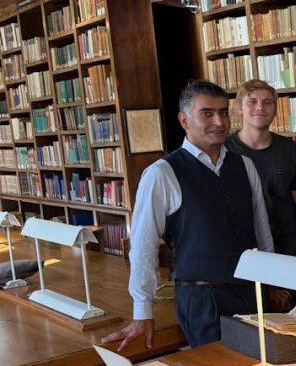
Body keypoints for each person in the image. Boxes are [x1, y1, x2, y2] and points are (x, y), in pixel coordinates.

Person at [108, 80, 274, 350]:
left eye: (223, 112)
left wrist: (273, 283)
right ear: (184, 120)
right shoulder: (161, 173)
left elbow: (261, 230)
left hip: (251, 293)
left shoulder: (244, 165)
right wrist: (142, 310)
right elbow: (143, 246)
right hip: (202, 299)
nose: (219, 122)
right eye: (207, 113)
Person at [225, 79, 296, 259]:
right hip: (243, 246)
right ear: (239, 108)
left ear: (275, 110)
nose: (260, 107)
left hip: (288, 246)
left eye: (267, 102)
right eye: (252, 102)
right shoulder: (224, 150)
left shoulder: (293, 151)